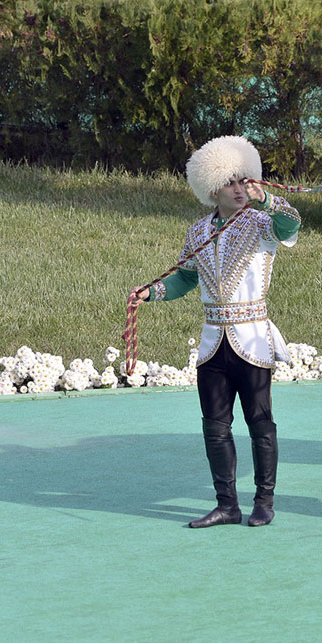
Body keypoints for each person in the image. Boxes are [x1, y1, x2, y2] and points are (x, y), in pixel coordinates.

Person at [129, 135, 301, 529]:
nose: (240, 189)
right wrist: (151, 293)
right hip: (212, 346)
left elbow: (292, 224)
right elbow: (185, 279)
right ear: (212, 189)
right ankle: (227, 505)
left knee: (261, 423)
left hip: (253, 339)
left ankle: (264, 501)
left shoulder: (263, 223)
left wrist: (269, 201)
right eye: (231, 183)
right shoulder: (196, 232)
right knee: (215, 428)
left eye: (244, 181)